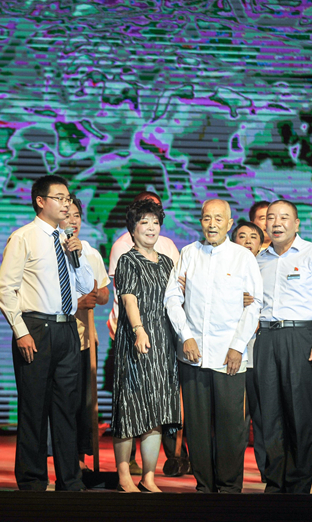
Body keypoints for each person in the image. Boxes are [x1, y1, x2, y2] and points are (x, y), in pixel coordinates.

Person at [0, 174, 94, 491]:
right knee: (34, 408)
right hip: (35, 328)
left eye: (68, 198)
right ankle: (32, 481)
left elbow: (86, 285)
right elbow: (5, 290)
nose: (66, 204)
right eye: (60, 198)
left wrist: (77, 253)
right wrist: (21, 331)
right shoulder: (23, 237)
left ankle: (70, 480)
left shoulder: (68, 239)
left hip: (67, 328)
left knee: (67, 408)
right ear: (40, 201)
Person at [165, 201, 262, 493]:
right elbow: (172, 298)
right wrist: (186, 336)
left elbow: (254, 304)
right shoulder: (188, 253)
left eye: (218, 218)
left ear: (229, 223)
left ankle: (229, 488)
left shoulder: (242, 257)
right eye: (207, 218)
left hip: (228, 356)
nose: (212, 224)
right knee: (196, 428)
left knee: (231, 427)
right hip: (193, 355)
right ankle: (204, 487)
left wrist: (237, 346)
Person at [255, 199, 312, 493]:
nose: (277, 223)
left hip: (301, 336)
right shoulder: (259, 258)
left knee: (300, 414)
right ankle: (275, 483)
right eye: (271, 217)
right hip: (266, 337)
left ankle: (299, 486)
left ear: (296, 223)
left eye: (284, 217)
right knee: (269, 415)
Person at [105, 191, 181, 474]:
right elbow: (128, 299)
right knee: (131, 405)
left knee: (157, 408)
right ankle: (125, 474)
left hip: (163, 340)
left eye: (155, 223)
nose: (151, 228)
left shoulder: (167, 262)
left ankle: (149, 476)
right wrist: (139, 330)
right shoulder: (127, 260)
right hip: (137, 338)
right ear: (132, 228)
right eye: (144, 223)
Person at [59, 196, 110, 471]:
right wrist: (76, 302)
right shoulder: (52, 249)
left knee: (84, 404)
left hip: (86, 338)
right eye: (68, 215)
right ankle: (63, 464)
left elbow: (104, 294)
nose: (73, 221)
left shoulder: (90, 252)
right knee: (63, 402)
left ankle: (79, 462)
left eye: (77, 216)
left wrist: (95, 294)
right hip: (60, 335)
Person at [231, 220, 266, 482]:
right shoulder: (224, 267)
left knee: (265, 418)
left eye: (253, 237)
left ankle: (269, 473)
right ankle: (231, 476)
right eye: (242, 236)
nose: (247, 241)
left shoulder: (268, 267)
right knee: (235, 421)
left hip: (262, 354)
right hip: (232, 355)